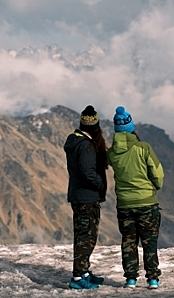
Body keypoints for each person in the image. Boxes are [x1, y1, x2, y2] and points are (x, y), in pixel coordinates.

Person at [107, 106, 164, 289]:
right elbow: (157, 173)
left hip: (124, 205)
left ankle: (130, 279)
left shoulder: (112, 153)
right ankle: (153, 279)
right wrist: (154, 187)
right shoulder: (144, 148)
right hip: (147, 202)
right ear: (131, 126)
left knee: (128, 241)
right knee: (149, 241)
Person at [64, 105, 108, 290]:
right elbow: (87, 173)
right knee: (86, 237)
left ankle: (84, 272)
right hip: (86, 197)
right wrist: (101, 185)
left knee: (83, 235)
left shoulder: (75, 141)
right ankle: (77, 277)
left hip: (79, 195)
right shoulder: (87, 146)